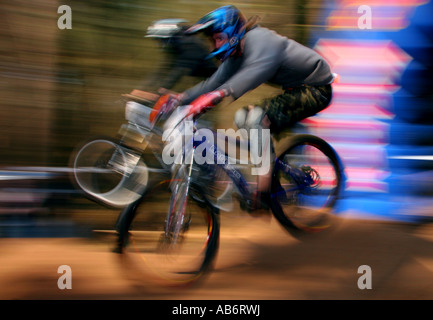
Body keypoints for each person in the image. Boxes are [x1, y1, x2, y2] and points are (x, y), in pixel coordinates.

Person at [159, 5, 335, 210]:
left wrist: (217, 95)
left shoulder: (261, 39)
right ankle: (273, 175)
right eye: (213, 40)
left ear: (232, 32)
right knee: (243, 118)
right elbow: (213, 82)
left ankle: (264, 192)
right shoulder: (237, 52)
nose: (214, 45)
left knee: (256, 119)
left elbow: (254, 72)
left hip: (316, 89)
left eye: (218, 38)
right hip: (295, 89)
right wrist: (181, 98)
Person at [140, 18, 218, 95]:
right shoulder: (176, 43)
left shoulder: (188, 43)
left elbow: (182, 68)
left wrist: (164, 87)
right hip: (196, 73)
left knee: (196, 98)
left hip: (209, 76)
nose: (158, 42)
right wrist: (145, 88)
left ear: (165, 36)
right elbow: (165, 68)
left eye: (159, 39)